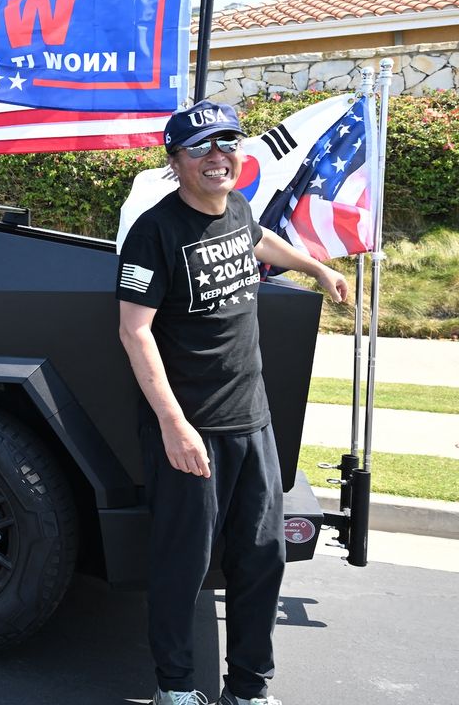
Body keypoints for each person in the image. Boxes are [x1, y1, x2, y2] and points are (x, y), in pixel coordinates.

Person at [116, 100, 348, 705]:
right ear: (176, 160)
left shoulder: (237, 207)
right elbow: (134, 331)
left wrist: (315, 267)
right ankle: (175, 689)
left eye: (227, 143)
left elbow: (258, 238)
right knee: (183, 566)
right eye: (201, 147)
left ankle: (248, 689)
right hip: (193, 429)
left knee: (262, 557)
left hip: (253, 420)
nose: (217, 156)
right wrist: (174, 426)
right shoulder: (155, 232)